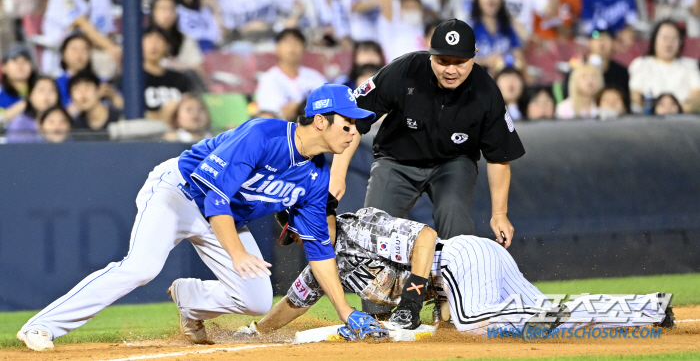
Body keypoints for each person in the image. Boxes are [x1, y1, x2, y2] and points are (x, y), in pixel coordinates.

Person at [16, 83, 388, 352]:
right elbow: (216, 197)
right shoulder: (263, 134)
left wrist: (346, 312)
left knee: (256, 299)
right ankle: (42, 326)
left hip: (224, 216)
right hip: (179, 192)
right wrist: (237, 254)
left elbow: (320, 251)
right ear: (320, 121)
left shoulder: (316, 177)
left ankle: (188, 299)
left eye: (356, 126)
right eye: (347, 123)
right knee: (142, 267)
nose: (354, 132)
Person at [234, 205, 675, 339]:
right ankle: (644, 307)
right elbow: (292, 305)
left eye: (297, 230)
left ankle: (635, 314)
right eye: (294, 236)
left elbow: (425, 236)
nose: (300, 239)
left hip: (457, 260)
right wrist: (256, 331)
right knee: (540, 308)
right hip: (472, 262)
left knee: (477, 327)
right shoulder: (321, 265)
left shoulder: (361, 225)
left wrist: (413, 298)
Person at [330, 19, 525, 317]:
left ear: (474, 55)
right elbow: (352, 121)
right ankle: (374, 311)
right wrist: (338, 173)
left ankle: (454, 306)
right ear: (430, 54)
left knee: (454, 215)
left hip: (452, 164)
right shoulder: (403, 70)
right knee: (375, 225)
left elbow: (499, 157)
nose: (451, 69)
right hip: (396, 162)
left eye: (460, 61)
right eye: (443, 60)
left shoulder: (486, 91)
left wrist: (500, 214)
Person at [628, 20, 700, 113]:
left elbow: (696, 94)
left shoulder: (690, 66)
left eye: (674, 39)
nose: (669, 43)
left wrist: (676, 110)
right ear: (654, 40)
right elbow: (636, 95)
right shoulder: (641, 64)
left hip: (683, 119)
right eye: (665, 38)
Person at [255, 28, 326, 121]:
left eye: (297, 43)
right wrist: (298, 107)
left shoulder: (315, 77)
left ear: (304, 48)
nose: (292, 47)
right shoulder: (269, 79)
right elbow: (269, 117)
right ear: (277, 48)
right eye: (287, 42)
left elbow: (327, 109)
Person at [40, 0, 121, 76]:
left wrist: (113, 47)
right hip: (58, 51)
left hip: (91, 49)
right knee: (104, 58)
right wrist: (111, 47)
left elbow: (107, 31)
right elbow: (82, 24)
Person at [55, 33, 124, 110]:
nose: (79, 54)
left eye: (84, 49)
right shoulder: (56, 85)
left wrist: (112, 95)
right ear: (63, 54)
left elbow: (124, 106)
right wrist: (93, 98)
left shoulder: (101, 82)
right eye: (74, 49)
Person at [562, 27, 630, 104]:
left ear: (613, 43)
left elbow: (625, 101)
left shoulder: (621, 72)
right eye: (597, 39)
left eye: (606, 39)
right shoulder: (577, 68)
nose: (601, 43)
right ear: (589, 43)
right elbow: (568, 97)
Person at [140, 25, 194, 121]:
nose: (154, 45)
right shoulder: (131, 79)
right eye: (149, 39)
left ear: (168, 46)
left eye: (159, 40)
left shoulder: (179, 78)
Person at [149, 0, 205, 73]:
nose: (168, 14)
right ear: (153, 12)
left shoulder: (185, 39)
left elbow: (199, 70)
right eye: (163, 9)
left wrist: (182, 68)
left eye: (171, 9)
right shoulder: (144, 39)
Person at [470, 0, 524, 74]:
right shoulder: (470, 27)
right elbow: (461, 60)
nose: (491, 0)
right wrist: (485, 61)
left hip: (503, 78)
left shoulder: (507, 26)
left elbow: (518, 53)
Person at [69, 70, 122, 141]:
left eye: (87, 87)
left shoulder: (118, 118)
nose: (83, 94)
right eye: (77, 90)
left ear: (99, 90)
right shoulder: (77, 126)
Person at [5, 76, 61, 143]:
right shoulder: (20, 124)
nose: (46, 95)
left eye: (52, 90)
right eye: (41, 90)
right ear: (30, 95)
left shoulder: (63, 121)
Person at [0, 44, 38, 126]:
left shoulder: (42, 89)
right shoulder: (1, 93)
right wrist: (28, 101)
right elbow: (1, 120)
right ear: (4, 67)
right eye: (15, 61)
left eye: (25, 61)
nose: (20, 66)